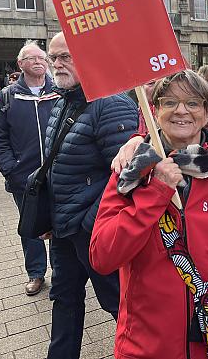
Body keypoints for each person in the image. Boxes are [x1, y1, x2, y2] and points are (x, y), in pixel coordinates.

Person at [90, 70, 208, 359]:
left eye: (193, 103)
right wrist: (156, 191)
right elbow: (103, 256)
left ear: (206, 112)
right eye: (169, 102)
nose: (181, 110)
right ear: (155, 111)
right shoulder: (131, 170)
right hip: (149, 342)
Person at [44, 32, 138, 359]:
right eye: (53, 57)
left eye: (65, 57)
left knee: (117, 303)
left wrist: (89, 220)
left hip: (92, 231)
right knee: (65, 299)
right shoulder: (63, 100)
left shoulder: (111, 104)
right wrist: (50, 214)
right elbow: (57, 165)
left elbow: (129, 175)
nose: (56, 64)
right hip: (63, 229)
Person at [0, 41, 59, 295]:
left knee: (61, 225)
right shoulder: (7, 97)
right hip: (25, 179)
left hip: (59, 174)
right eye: (32, 58)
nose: (39, 61)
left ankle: (62, 274)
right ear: (21, 64)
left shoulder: (60, 92)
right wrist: (12, 171)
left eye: (42, 57)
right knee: (32, 226)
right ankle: (36, 273)